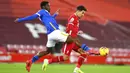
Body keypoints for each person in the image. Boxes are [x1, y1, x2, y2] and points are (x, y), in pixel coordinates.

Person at [14, 1, 91, 72]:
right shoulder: (41, 11)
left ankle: (30, 61)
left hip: (50, 35)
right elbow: (33, 16)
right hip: (55, 32)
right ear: (44, 6)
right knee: (71, 38)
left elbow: (50, 20)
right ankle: (87, 49)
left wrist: (55, 15)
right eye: (48, 5)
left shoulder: (47, 15)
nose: (49, 7)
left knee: (47, 51)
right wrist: (20, 19)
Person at [42, 5, 100, 73]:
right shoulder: (73, 18)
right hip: (69, 40)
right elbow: (69, 29)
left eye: (84, 13)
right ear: (78, 11)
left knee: (84, 53)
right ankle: (47, 61)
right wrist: (70, 36)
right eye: (82, 13)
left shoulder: (77, 19)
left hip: (73, 40)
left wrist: (77, 32)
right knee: (65, 58)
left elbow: (72, 30)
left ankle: (77, 69)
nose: (83, 15)